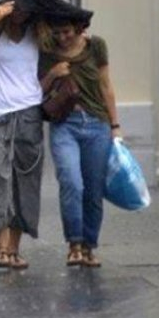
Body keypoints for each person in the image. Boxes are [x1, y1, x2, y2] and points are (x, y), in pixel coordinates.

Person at [0, 0, 93, 270]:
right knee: (0, 178)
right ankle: (0, 248)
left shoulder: (38, 33)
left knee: (26, 181)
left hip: (29, 114)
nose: (21, 16)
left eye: (27, 11)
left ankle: (14, 249)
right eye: (17, 10)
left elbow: (72, 20)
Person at [39, 17, 120, 268]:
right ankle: (74, 243)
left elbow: (106, 85)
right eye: (58, 32)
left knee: (94, 190)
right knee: (71, 182)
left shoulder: (96, 46)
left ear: (79, 29)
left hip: (97, 124)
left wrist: (115, 126)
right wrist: (53, 73)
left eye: (67, 32)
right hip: (65, 125)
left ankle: (89, 246)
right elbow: (35, 89)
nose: (62, 37)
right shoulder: (47, 50)